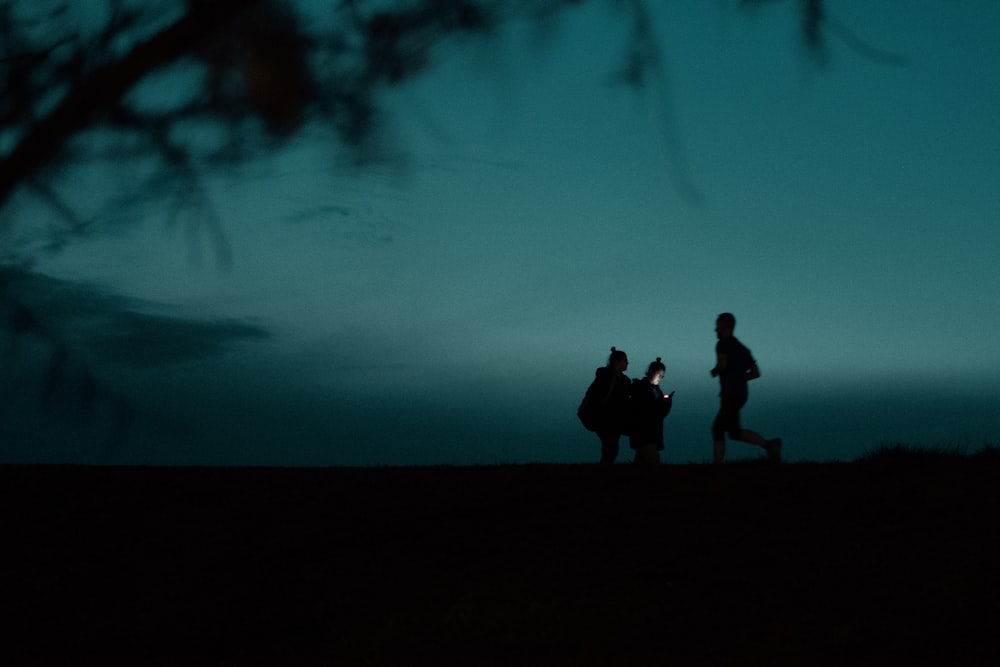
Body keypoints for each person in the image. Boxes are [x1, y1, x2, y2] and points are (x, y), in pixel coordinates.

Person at [710, 313, 782, 464]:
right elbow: (756, 373)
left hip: (729, 393)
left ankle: (716, 465)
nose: (715, 329)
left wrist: (715, 370)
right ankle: (770, 445)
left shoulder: (722, 344)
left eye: (717, 325)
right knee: (734, 432)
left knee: (717, 429)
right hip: (741, 394)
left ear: (725, 326)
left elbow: (722, 365)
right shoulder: (743, 349)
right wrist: (741, 378)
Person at [585, 347, 632, 464]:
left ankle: (605, 468)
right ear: (617, 361)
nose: (627, 363)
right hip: (603, 416)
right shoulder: (605, 375)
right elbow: (593, 394)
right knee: (610, 442)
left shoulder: (625, 380)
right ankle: (605, 470)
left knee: (611, 443)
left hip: (614, 417)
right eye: (625, 360)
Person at [628, 357, 674, 465]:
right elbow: (645, 410)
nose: (661, 378)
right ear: (651, 372)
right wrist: (662, 403)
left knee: (641, 460)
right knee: (653, 461)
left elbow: (660, 414)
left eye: (663, 376)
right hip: (645, 432)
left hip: (652, 432)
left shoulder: (657, 390)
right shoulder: (640, 388)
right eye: (659, 375)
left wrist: (667, 404)